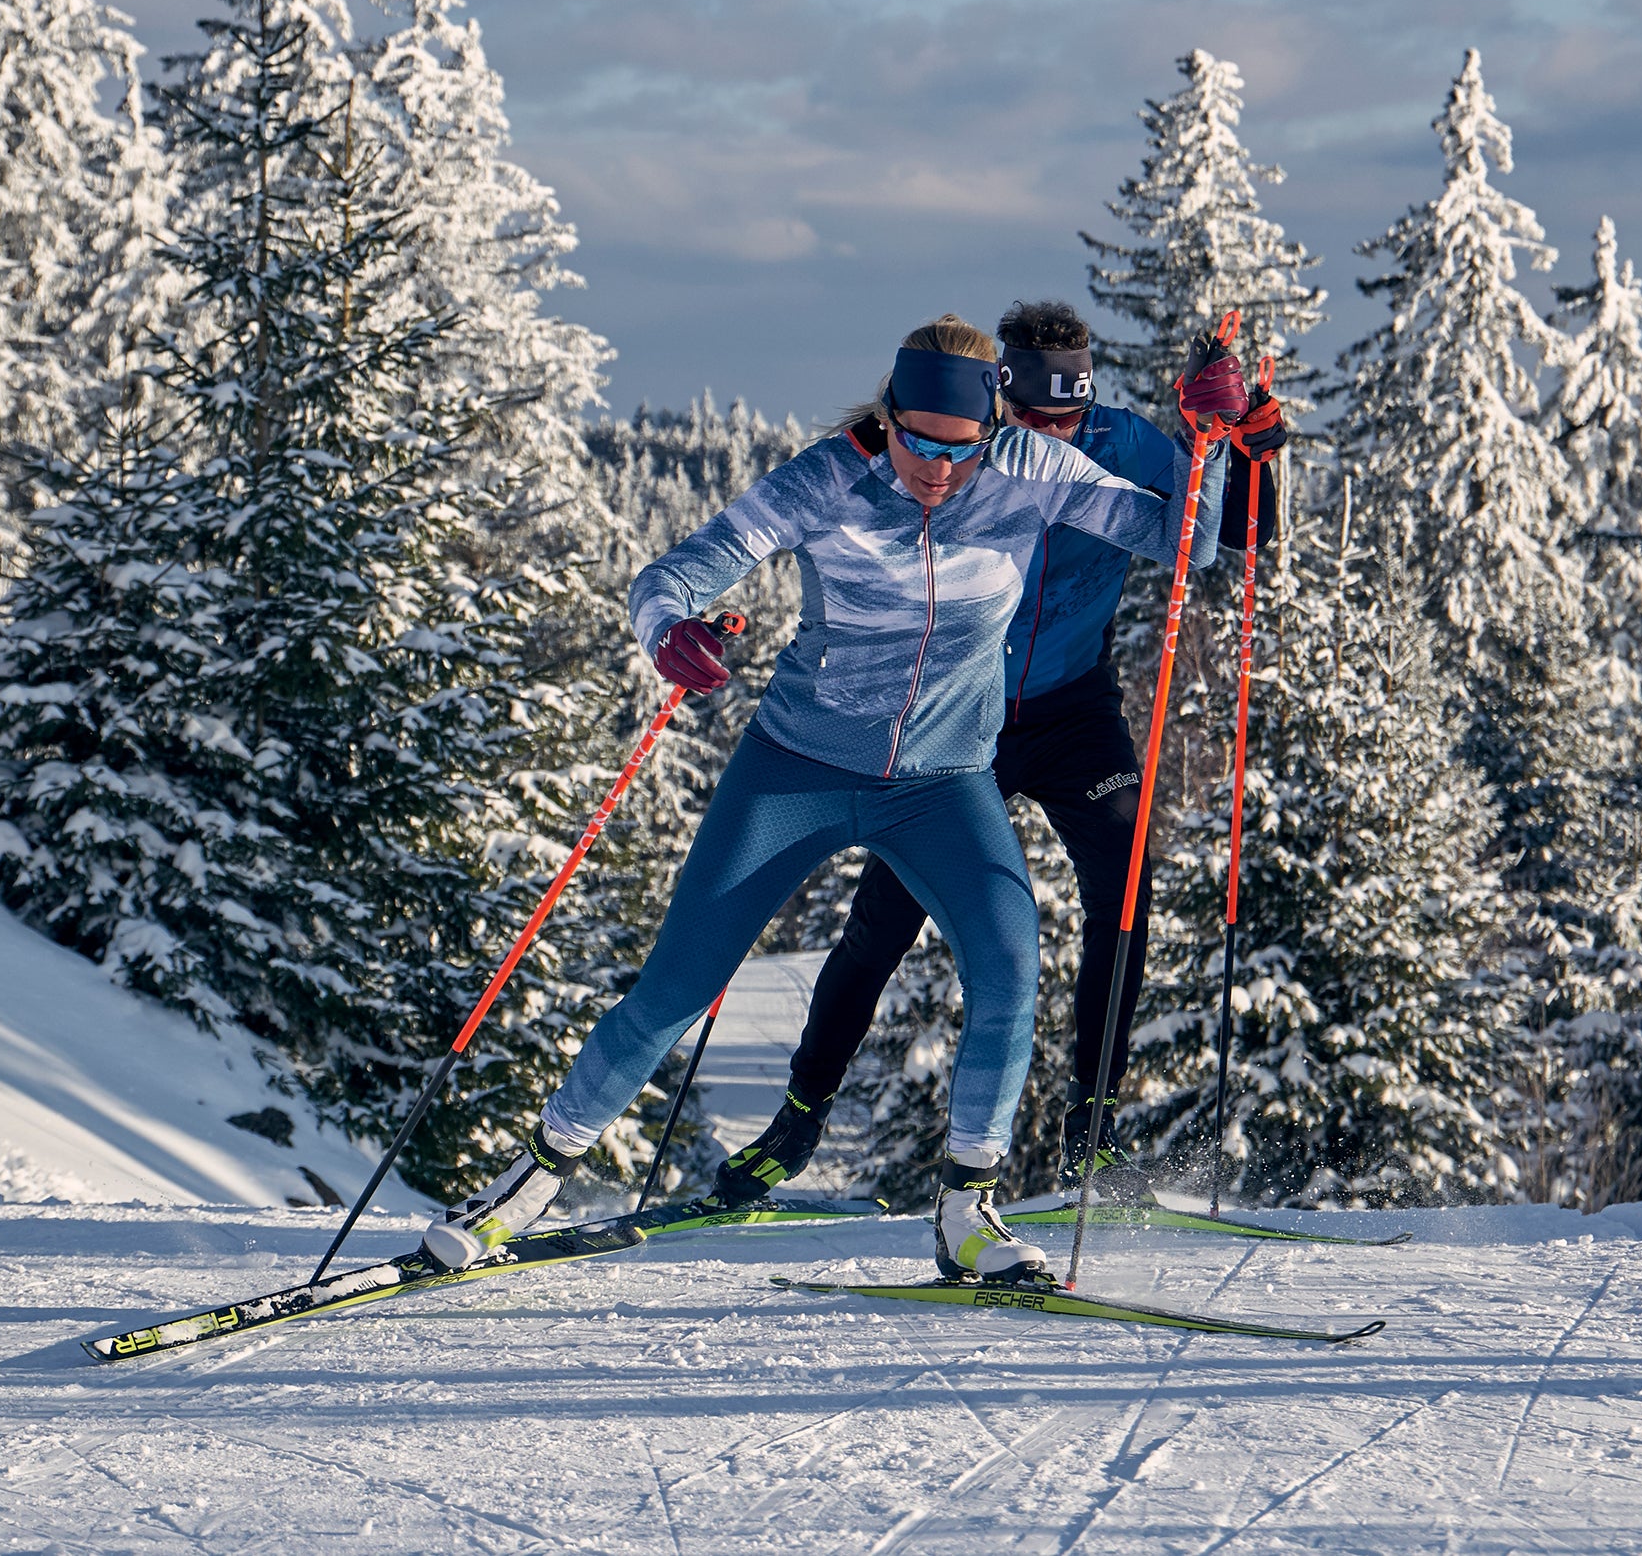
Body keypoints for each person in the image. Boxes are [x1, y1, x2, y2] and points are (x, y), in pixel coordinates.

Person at [424, 313, 1254, 1285]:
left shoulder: (1034, 468)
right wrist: (669, 633)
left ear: (992, 425)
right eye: (916, 443)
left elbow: (1191, 545)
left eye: (961, 448)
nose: (938, 471)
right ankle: (526, 1185)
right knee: (676, 989)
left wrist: (1215, 445)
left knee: (1007, 965)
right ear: (887, 416)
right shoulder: (832, 475)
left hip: (942, 783)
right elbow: (673, 574)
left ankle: (966, 1216)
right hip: (799, 771)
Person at [711, 302, 1282, 1208]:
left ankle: (1089, 1134)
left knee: (1125, 883)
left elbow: (1230, 538)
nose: (1047, 435)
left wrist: (1243, 435)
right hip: (953, 713)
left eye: (1067, 419)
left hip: (1071, 709)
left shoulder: (1120, 444)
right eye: (1028, 416)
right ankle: (797, 1118)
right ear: (994, 392)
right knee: (881, 923)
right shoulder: (960, 450)